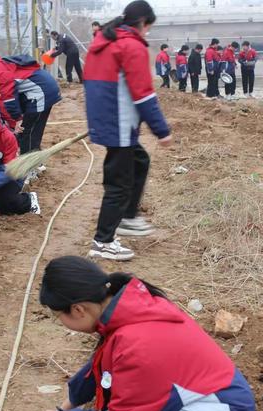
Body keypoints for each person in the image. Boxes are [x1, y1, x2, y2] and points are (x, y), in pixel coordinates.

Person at [36, 255, 256, 411]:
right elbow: (100, 367)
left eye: (58, 316)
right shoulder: (132, 307)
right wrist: (64, 410)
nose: (60, 321)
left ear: (78, 310)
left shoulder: (137, 345)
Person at [84, 0, 172, 261]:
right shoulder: (130, 45)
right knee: (118, 185)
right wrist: (162, 130)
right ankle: (103, 241)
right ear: (143, 23)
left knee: (140, 160)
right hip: (119, 123)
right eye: (148, 29)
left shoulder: (104, 41)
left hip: (107, 119)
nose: (147, 34)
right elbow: (143, 95)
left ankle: (127, 216)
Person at [0, 49, 61, 155]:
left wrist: (17, 119)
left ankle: (29, 167)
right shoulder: (0, 64)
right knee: (31, 132)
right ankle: (35, 161)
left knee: (27, 132)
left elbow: (9, 97)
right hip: (41, 90)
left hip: (41, 92)